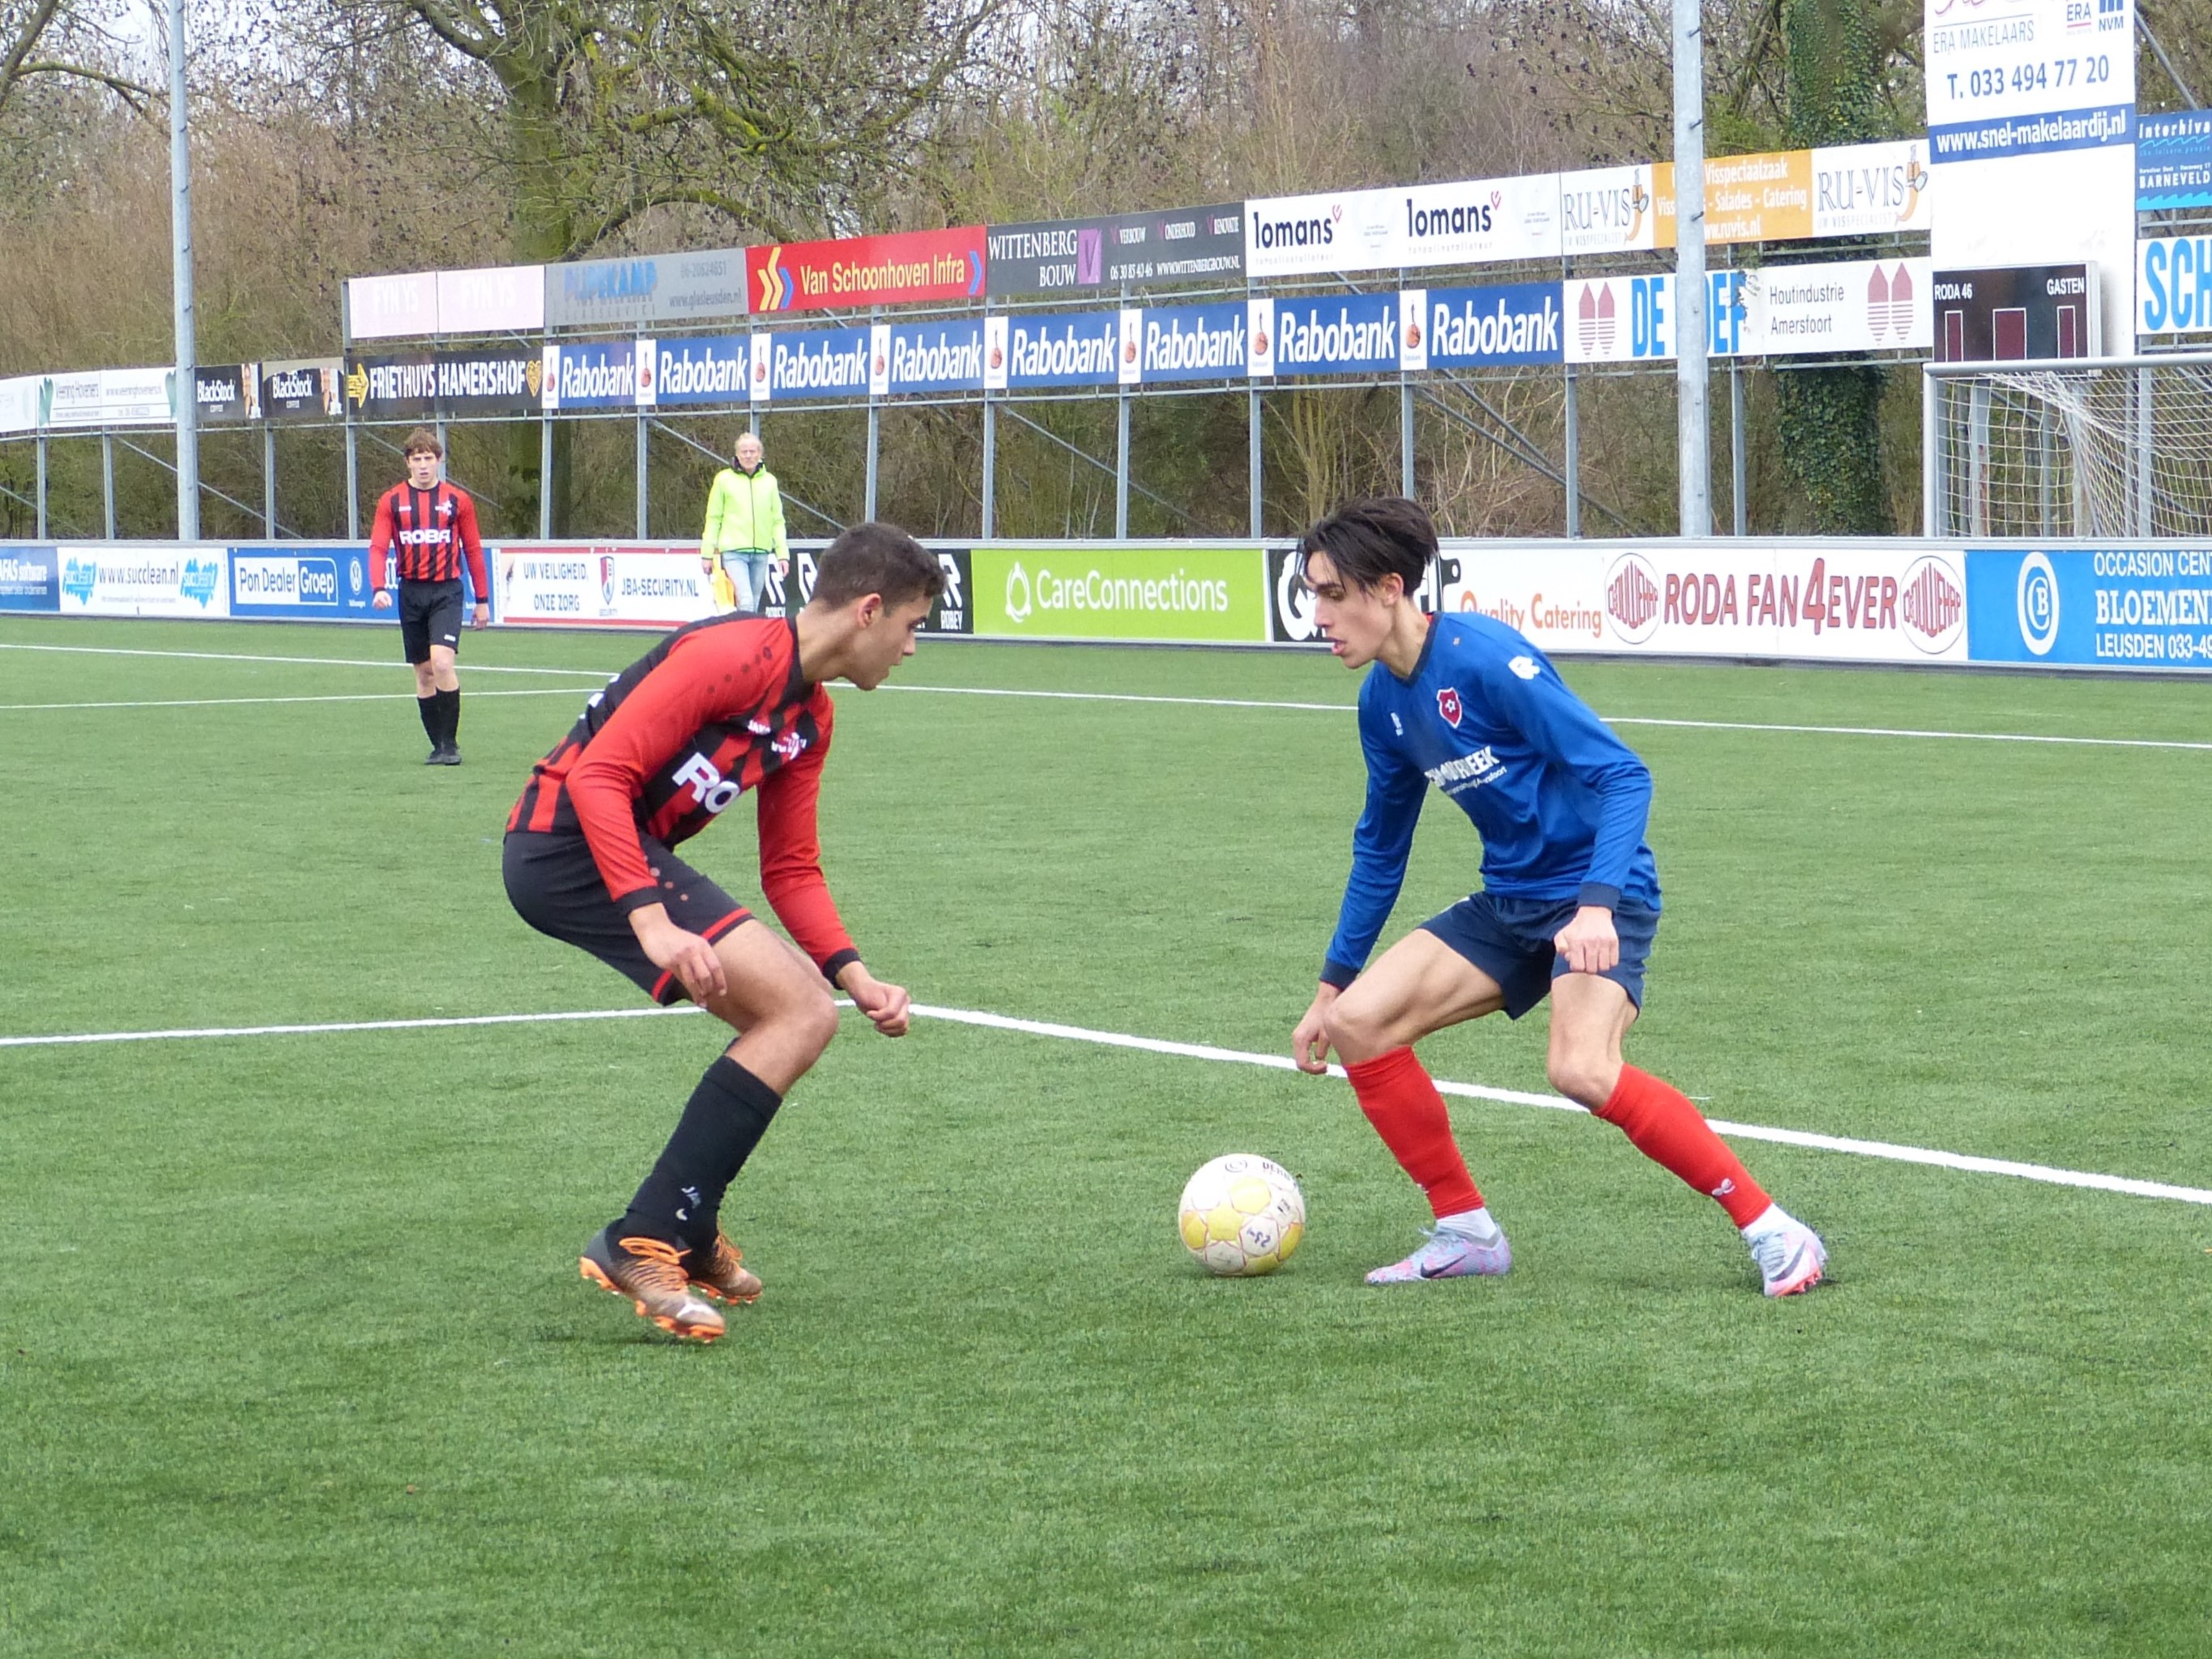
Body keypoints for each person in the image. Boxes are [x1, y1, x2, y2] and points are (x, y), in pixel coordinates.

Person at [1288, 497, 1826, 1297]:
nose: (1317, 615)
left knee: (1580, 1068)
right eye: (1311, 594)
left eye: (1331, 593)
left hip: (1595, 892)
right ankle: (1466, 1230)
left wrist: (1598, 904)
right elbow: (1380, 848)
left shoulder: (1481, 658)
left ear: (1388, 587)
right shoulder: (1382, 704)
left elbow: (1622, 774)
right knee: (1358, 1022)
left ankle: (1775, 1230)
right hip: (1510, 902)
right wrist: (1329, 987)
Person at [503, 522, 944, 1341]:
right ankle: (644, 1236)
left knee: (798, 1014)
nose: (911, 647)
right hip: (561, 842)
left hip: (617, 853)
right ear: (869, 610)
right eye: (913, 626)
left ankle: (690, 1223)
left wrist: (858, 976)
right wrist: (653, 919)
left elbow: (792, 871)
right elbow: (599, 775)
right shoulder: (731, 656)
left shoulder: (809, 718)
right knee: (796, 1013)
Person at [368, 429, 488, 764]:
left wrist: (483, 600)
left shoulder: (457, 501)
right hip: (411, 592)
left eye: (428, 459)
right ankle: (437, 745)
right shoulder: (391, 501)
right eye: (416, 459)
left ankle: (450, 745)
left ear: (439, 460)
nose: (423, 466)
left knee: (442, 662)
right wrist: (378, 587)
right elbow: (378, 547)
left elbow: (474, 550)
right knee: (423, 673)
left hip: (446, 591)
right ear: (407, 463)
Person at [699, 429, 790, 612]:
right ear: (737, 455)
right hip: (734, 551)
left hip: (761, 552)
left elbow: (777, 520)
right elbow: (713, 518)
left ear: (760, 454)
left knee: (753, 603)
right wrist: (707, 553)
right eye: (744, 452)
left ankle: (743, 638)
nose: (748, 456)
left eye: (752, 451)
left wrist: (782, 554)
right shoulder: (723, 480)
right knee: (746, 600)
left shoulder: (770, 482)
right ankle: (746, 639)